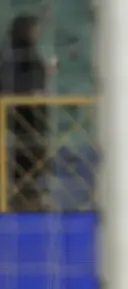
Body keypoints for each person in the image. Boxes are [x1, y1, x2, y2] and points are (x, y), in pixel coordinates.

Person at [0, 14, 57, 211]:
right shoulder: (17, 54)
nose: (37, 33)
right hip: (23, 122)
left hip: (28, 122)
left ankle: (23, 201)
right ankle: (20, 204)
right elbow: (21, 83)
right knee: (25, 166)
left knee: (28, 167)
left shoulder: (17, 53)